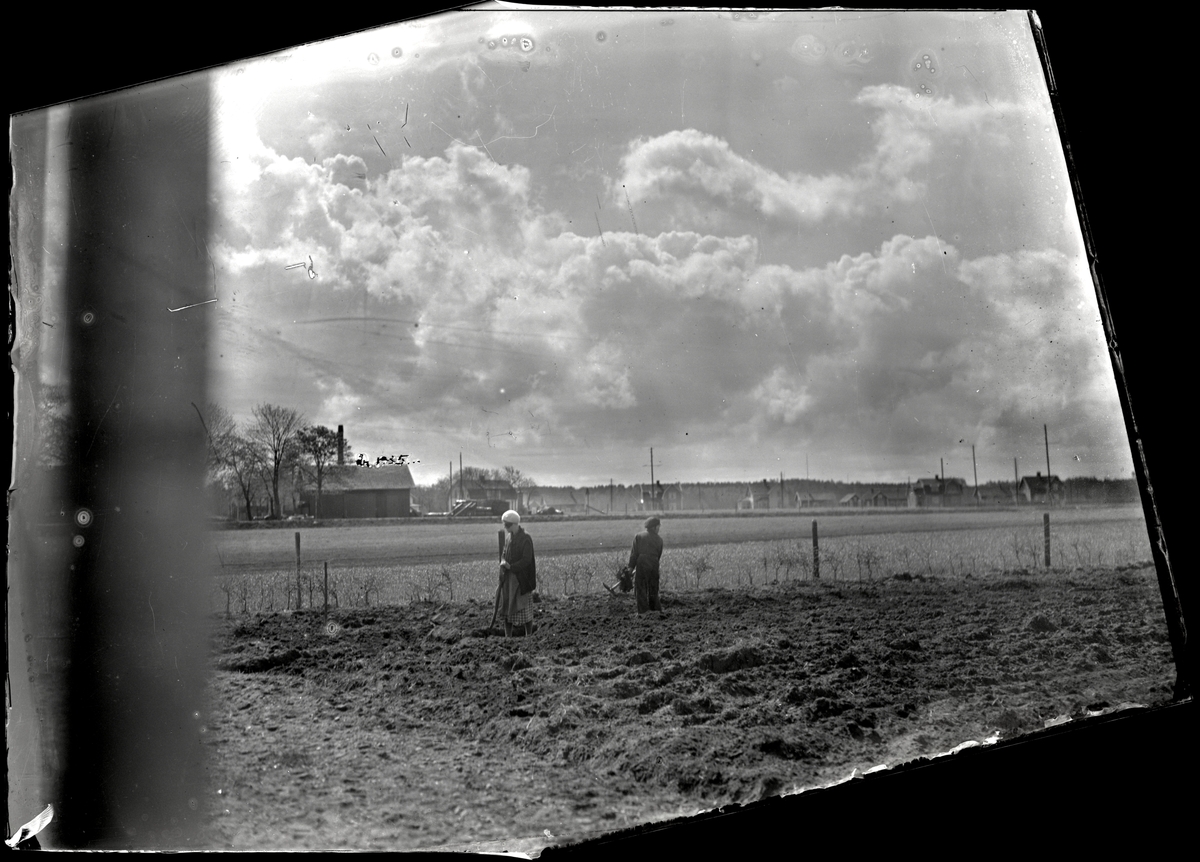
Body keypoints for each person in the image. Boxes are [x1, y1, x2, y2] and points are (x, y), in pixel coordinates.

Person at [499, 509, 536, 637]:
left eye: (507, 525)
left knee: (525, 609)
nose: (506, 527)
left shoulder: (526, 538)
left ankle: (528, 635)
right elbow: (504, 553)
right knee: (507, 608)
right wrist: (503, 562)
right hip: (509, 580)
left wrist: (511, 567)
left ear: (515, 524)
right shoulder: (509, 538)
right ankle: (507, 637)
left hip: (522, 580)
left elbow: (526, 560)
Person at [628, 516, 665, 617]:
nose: (659, 529)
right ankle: (656, 610)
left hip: (642, 562)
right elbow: (659, 554)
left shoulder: (639, 536)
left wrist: (631, 568)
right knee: (653, 587)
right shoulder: (659, 540)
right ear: (654, 527)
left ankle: (643, 612)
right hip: (654, 563)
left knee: (641, 587)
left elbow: (634, 554)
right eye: (658, 527)